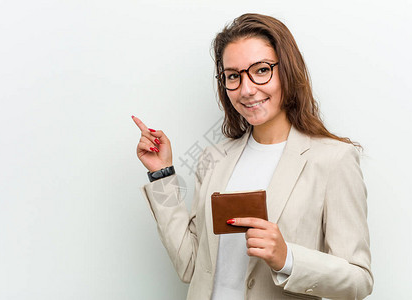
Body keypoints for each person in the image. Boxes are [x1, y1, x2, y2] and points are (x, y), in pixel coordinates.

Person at [133, 13, 373, 300]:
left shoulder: (333, 160)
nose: (246, 90)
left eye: (261, 70)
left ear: (288, 71)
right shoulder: (215, 157)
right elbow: (190, 266)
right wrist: (162, 174)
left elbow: (359, 280)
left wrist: (288, 258)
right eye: (233, 76)